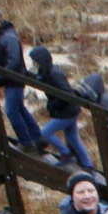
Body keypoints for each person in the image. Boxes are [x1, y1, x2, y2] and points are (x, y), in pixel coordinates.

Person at [0, 10, 45, 154]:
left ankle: (26, 142)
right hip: (9, 78)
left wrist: (0, 77)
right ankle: (38, 137)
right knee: (19, 108)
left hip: (15, 78)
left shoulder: (8, 37)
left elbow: (14, 61)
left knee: (11, 110)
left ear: (0, 21)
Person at [30, 42, 93, 170]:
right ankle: (88, 165)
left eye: (35, 61)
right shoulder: (47, 71)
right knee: (72, 138)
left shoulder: (55, 73)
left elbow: (66, 93)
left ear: (41, 61)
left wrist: (53, 104)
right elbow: (41, 78)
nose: (33, 63)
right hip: (69, 110)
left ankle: (66, 154)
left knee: (46, 133)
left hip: (67, 111)